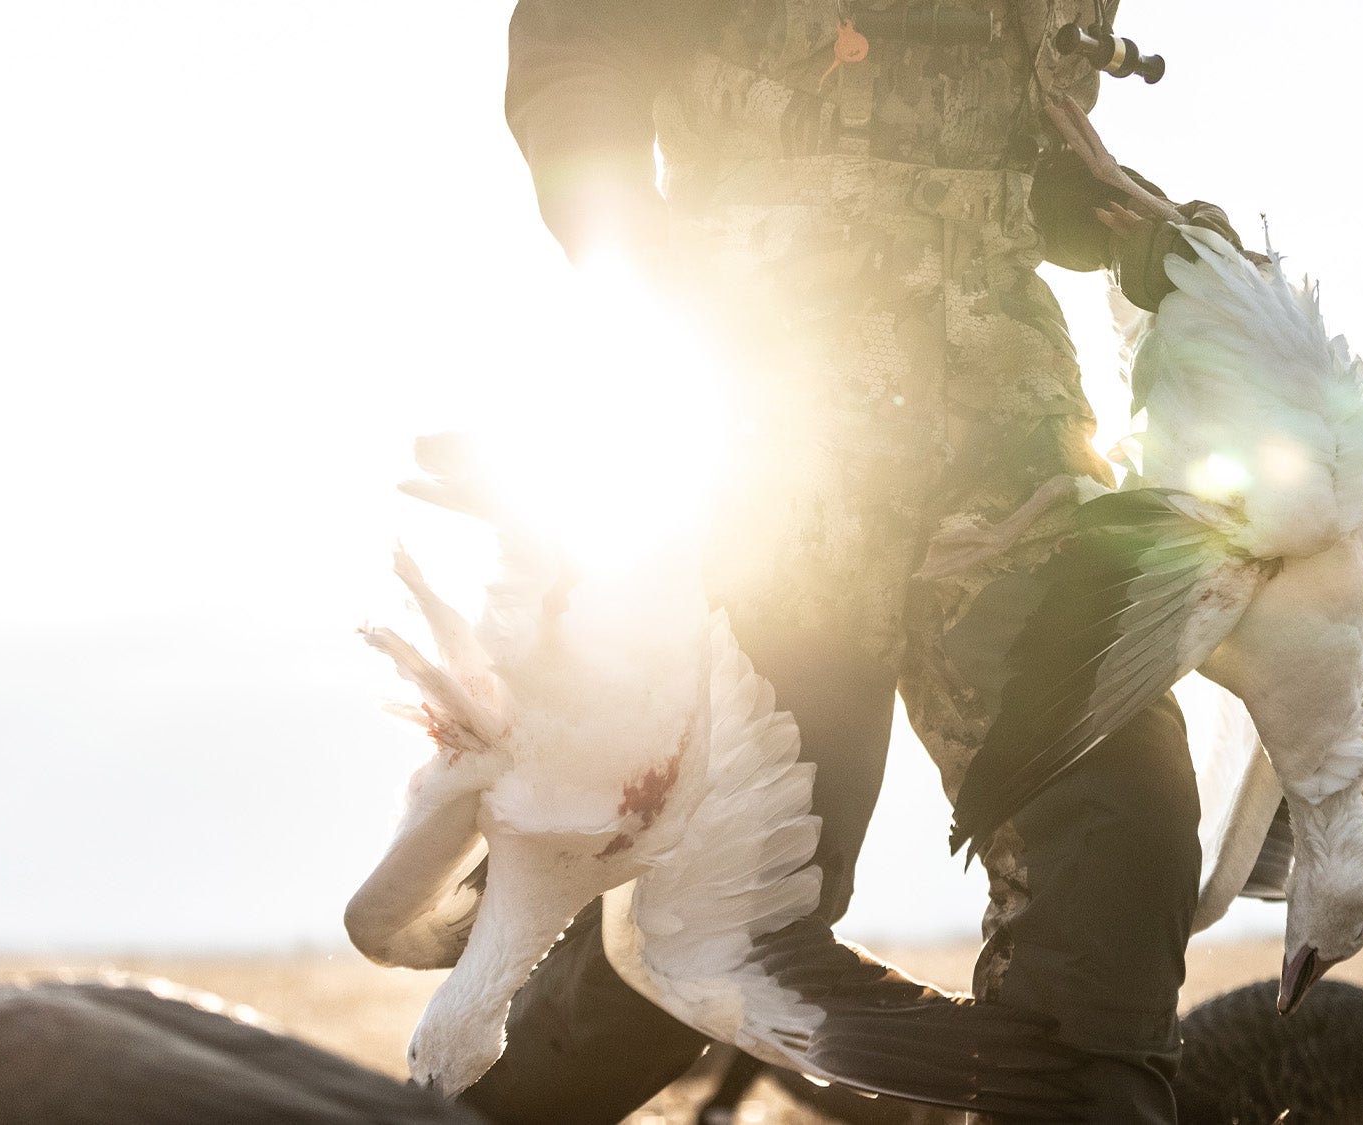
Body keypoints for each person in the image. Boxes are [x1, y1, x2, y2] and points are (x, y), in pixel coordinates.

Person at [465, 3, 1252, 1120]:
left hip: (1011, 451)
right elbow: (579, 48)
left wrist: (1141, 230)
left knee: (1122, 833)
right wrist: (632, 253)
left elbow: (1015, 150)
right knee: (738, 882)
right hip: (771, 439)